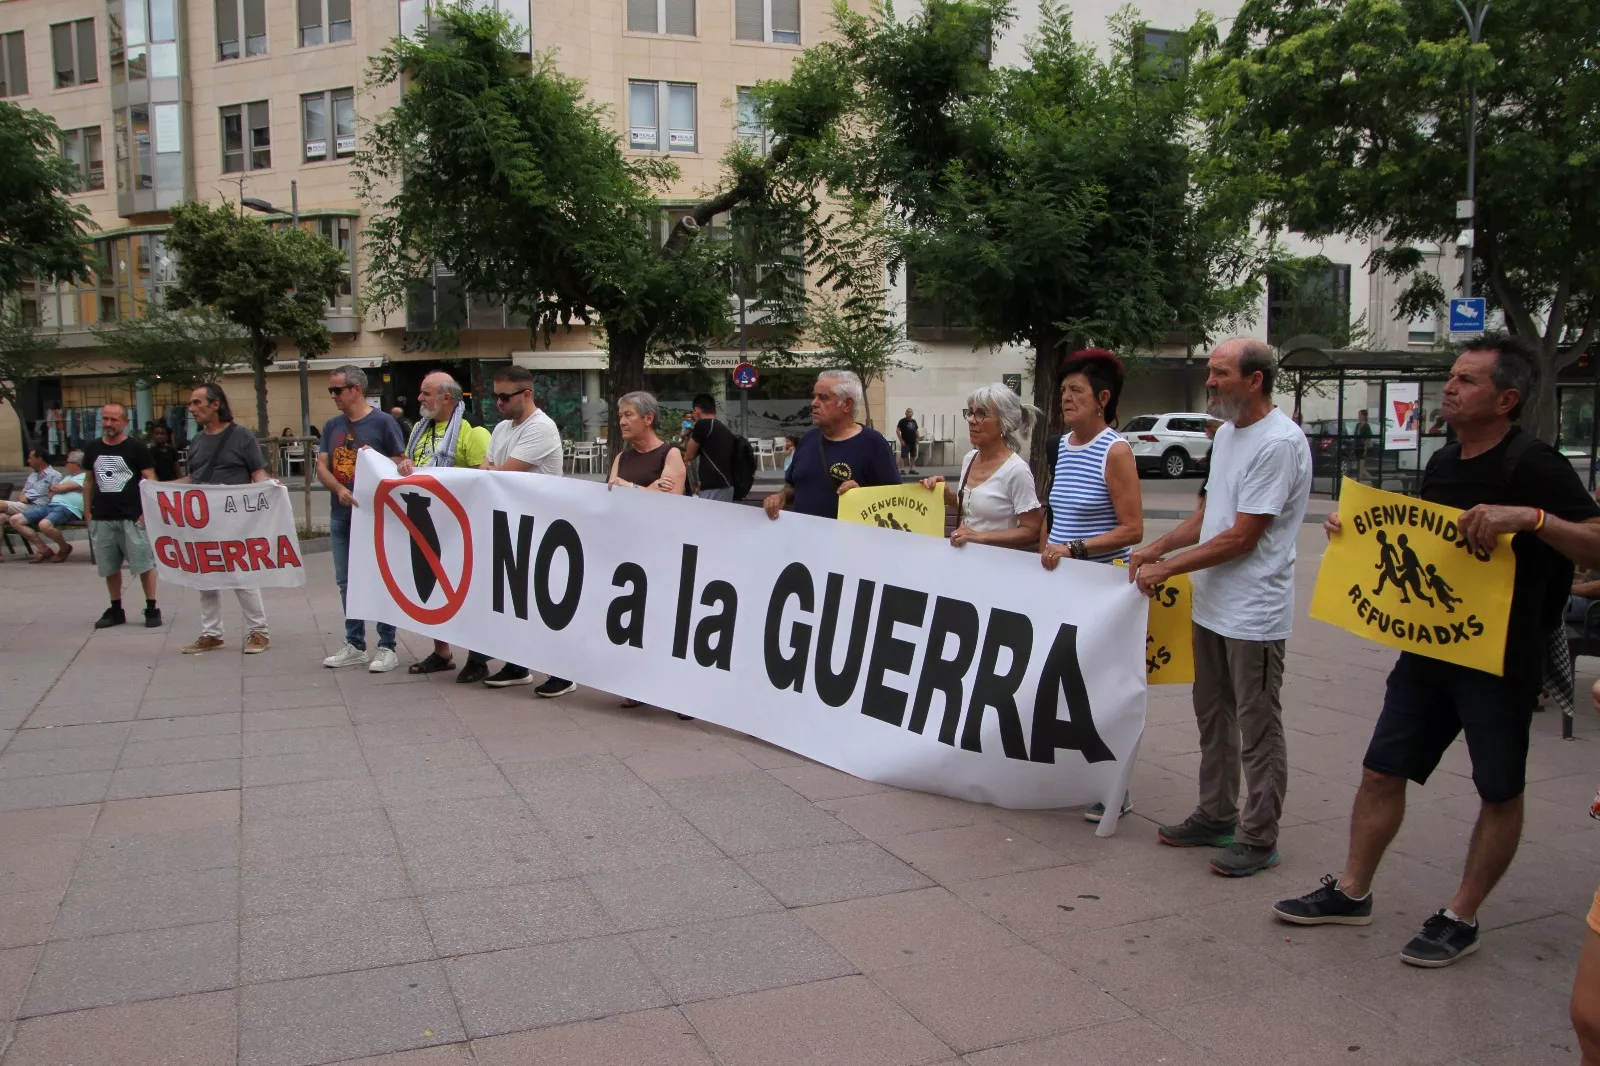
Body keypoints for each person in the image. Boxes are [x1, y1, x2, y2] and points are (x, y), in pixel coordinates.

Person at [1273, 335, 1600, 966]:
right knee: (1380, 770)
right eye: (1450, 378)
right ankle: (1352, 890)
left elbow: (1593, 540)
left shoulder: (1535, 465)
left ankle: (1462, 916)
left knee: (1498, 790)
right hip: (1429, 650)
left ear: (1506, 399)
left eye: (1467, 381)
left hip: (1501, 660)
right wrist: (1354, 537)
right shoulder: (1444, 461)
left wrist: (1531, 519)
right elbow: (1423, 546)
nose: (1449, 388)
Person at [1129, 338, 1312, 877]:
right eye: (1209, 372)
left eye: (1219, 373)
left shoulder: (1279, 443)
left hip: (1254, 613)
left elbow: (1242, 538)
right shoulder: (1228, 435)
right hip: (1212, 606)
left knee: (1258, 725)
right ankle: (1216, 814)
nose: (1209, 381)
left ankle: (1259, 835)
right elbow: (1209, 518)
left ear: (1255, 380)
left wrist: (1169, 569)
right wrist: (1157, 547)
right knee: (1213, 714)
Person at [1035, 351, 1143, 822]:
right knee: (1058, 684)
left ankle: (1115, 787)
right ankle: (1074, 772)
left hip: (1100, 586)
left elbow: (1132, 529)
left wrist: (1075, 550)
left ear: (1103, 399)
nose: (1066, 400)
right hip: (1061, 586)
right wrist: (1043, 551)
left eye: (1076, 391)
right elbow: (1053, 512)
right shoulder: (1061, 445)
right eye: (1063, 392)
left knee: (1099, 690)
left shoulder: (1115, 450)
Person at [464, 365, 576, 698]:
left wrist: (492, 470)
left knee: (546, 601)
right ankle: (517, 663)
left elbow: (503, 475)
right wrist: (492, 470)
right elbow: (486, 470)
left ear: (526, 394)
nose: (497, 402)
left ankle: (564, 671)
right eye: (494, 395)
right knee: (514, 599)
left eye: (504, 396)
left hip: (543, 527)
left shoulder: (541, 427)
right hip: (512, 524)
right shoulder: (500, 428)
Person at [396, 371, 492, 676]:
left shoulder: (473, 429)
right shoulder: (419, 429)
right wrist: (403, 465)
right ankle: (442, 652)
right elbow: (410, 461)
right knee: (434, 589)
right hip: (427, 522)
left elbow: (485, 477)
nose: (420, 398)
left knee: (470, 593)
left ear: (447, 398)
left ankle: (478, 659)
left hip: (463, 528)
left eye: (426, 393)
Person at [318, 364, 408, 673]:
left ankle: (387, 645)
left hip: (374, 516)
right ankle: (354, 643)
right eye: (331, 390)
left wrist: (385, 460)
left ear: (356, 389)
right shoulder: (332, 426)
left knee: (382, 577)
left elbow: (399, 461)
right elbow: (322, 466)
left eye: (337, 390)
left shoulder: (383, 423)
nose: (333, 396)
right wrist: (339, 489)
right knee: (346, 582)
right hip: (342, 514)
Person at [175, 383, 273, 655]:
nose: (192, 408)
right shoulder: (197, 441)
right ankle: (211, 633)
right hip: (203, 521)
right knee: (205, 577)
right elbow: (194, 479)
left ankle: (258, 631)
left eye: (197, 402)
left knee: (241, 575)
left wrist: (269, 489)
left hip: (236, 521)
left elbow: (257, 472)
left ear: (215, 404)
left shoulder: (241, 436)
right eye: (191, 404)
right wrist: (161, 489)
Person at [608, 390, 690, 714]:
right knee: (635, 621)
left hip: (665, 551)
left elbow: (668, 502)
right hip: (630, 551)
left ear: (648, 418)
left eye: (628, 415)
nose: (622, 421)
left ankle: (680, 691)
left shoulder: (670, 454)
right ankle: (640, 685)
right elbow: (614, 498)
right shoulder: (621, 458)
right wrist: (647, 490)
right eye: (620, 416)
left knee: (669, 621)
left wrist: (628, 488)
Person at [764, 371, 899, 521]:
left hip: (848, 541)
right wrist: (780, 496)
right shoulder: (808, 439)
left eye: (823, 398)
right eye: (814, 396)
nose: (813, 403)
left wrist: (860, 495)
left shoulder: (873, 443)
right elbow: (793, 486)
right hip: (802, 539)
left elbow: (893, 501)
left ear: (847, 405)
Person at [921, 384, 1042, 552]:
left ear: (1003, 423)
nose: (971, 420)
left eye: (981, 414)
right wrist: (947, 495)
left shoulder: (1016, 470)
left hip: (996, 567)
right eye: (970, 412)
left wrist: (979, 537)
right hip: (964, 563)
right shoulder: (969, 459)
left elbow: (1033, 531)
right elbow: (974, 509)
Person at [81, 402, 163, 629]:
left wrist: (147, 512)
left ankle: (151, 606)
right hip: (103, 517)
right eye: (105, 419)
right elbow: (88, 481)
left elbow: (149, 480)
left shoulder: (137, 448)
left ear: (125, 422)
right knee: (109, 566)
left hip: (132, 516)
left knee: (144, 564)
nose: (108, 424)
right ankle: (116, 608)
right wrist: (88, 513)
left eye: (114, 420)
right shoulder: (93, 448)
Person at [7, 451, 85, 563]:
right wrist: (62, 488)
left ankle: (64, 548)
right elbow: (51, 492)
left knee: (44, 525)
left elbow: (56, 489)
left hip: (68, 508)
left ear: (76, 464)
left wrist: (60, 488)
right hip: (51, 505)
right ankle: (44, 549)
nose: (65, 465)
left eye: (67, 462)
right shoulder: (67, 477)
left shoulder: (85, 477)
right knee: (15, 520)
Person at [682, 394, 739, 502]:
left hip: (714, 487)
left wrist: (688, 432)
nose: (693, 415)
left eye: (693, 411)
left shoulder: (703, 424)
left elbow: (689, 455)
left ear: (698, 409)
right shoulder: (722, 428)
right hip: (726, 484)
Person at [3, 448, 62, 519]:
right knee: (1, 517)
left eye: (30, 458)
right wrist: (22, 498)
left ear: (39, 459)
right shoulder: (32, 475)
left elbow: (52, 497)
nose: (28, 461)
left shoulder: (55, 475)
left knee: (1, 504)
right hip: (23, 505)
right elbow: (23, 492)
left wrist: (30, 500)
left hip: (39, 508)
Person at [897, 407, 920, 476]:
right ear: (905, 413)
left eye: (910, 412)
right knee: (903, 456)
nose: (909, 413)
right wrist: (901, 440)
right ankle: (902, 470)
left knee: (913, 455)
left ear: (912, 413)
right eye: (908, 411)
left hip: (913, 442)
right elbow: (897, 430)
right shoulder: (902, 421)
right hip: (905, 441)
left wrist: (918, 438)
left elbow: (916, 430)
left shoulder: (914, 421)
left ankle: (911, 469)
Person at [1355, 408, 1375, 480]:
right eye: (1358, 415)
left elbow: (1368, 438)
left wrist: (1365, 449)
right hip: (1357, 447)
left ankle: (1371, 480)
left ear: (1364, 416)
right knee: (1360, 468)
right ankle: (1372, 480)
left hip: (1363, 447)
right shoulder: (1357, 425)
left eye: (1360, 415)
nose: (1359, 416)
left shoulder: (1366, 426)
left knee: (1361, 467)